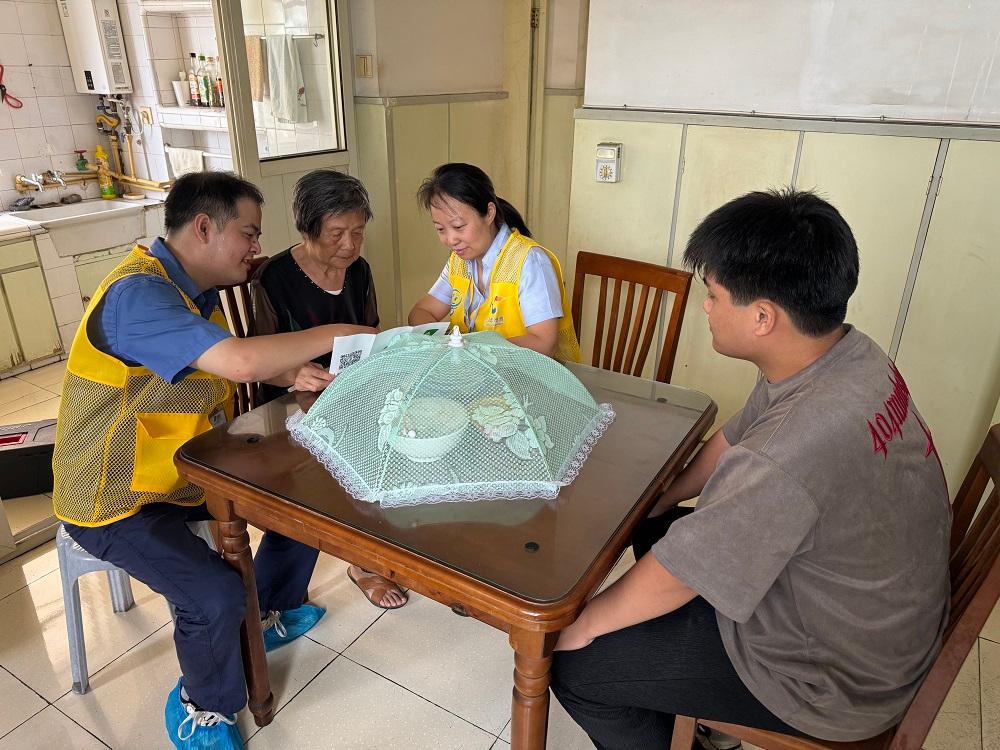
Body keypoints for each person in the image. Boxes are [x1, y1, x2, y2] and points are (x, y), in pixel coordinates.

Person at [550, 189, 951, 749]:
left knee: (579, 670)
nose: (706, 308)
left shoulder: (790, 451)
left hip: (831, 679)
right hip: (871, 618)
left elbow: (685, 570)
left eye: (713, 295)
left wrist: (582, 626)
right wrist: (664, 497)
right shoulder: (845, 355)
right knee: (652, 522)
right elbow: (736, 434)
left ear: (763, 317)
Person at [50, 171, 377, 750]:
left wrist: (291, 373)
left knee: (301, 496)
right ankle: (203, 707)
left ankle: (271, 612)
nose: (257, 246)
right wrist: (346, 332)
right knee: (213, 595)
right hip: (112, 498)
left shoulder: (193, 293)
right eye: (248, 233)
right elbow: (239, 362)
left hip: (178, 474)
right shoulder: (137, 296)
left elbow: (217, 364)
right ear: (204, 228)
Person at [250, 169, 407, 610]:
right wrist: (294, 374)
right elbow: (259, 362)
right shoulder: (275, 278)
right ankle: (274, 602)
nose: (350, 245)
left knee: (390, 447)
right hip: (289, 407)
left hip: (350, 396)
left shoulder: (360, 271)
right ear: (308, 229)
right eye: (337, 233)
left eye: (358, 233)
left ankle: (364, 560)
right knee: (305, 488)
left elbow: (370, 333)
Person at [407, 162, 581, 361]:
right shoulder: (459, 262)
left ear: (489, 213)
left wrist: (471, 348)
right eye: (440, 229)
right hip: (483, 372)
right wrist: (445, 341)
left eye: (459, 226)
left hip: (536, 375)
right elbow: (421, 312)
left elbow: (544, 344)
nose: (450, 239)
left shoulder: (529, 261)